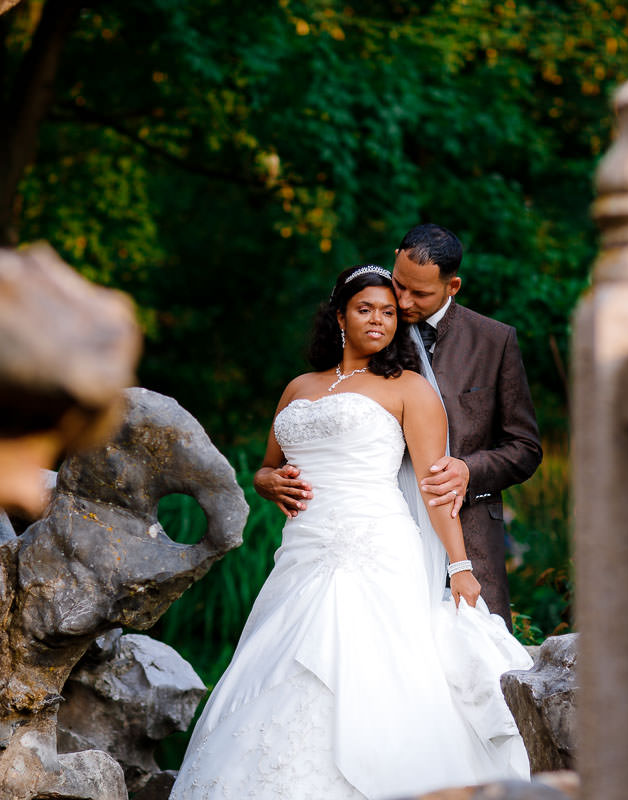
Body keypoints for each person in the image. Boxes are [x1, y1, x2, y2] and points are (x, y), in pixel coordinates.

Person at [171, 266, 531, 800]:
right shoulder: (300, 387)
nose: (379, 321)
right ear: (340, 315)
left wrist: (459, 565)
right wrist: (272, 482)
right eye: (366, 309)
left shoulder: (408, 390)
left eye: (389, 312)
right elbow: (267, 467)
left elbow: (435, 488)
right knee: (280, 663)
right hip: (304, 548)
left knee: (365, 664)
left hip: (374, 546)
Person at [257, 224, 542, 627]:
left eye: (417, 294)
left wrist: (467, 469)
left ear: (452, 286)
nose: (401, 303)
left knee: (469, 659)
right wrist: (266, 478)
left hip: (462, 524)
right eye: (398, 286)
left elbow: (525, 448)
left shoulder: (493, 342)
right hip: (339, 534)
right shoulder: (369, 316)